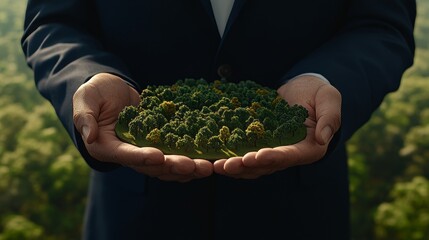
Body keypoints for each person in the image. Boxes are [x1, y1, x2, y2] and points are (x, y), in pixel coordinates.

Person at [21, 0, 415, 239]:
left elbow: (380, 25)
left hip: (297, 215)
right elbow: (55, 22)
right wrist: (90, 78)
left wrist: (324, 82)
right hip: (135, 215)